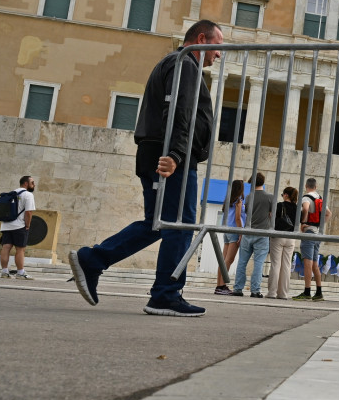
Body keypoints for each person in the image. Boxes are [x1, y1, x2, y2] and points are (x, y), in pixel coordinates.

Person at [68, 20, 223, 317]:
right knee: (180, 225)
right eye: (217, 46)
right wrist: (177, 153)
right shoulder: (186, 64)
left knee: (158, 224)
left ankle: (92, 260)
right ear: (202, 39)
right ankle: (166, 294)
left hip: (157, 152)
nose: (218, 55)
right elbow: (180, 111)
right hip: (170, 158)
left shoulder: (174, 63)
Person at [233, 172, 273, 298]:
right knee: (259, 263)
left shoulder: (249, 197)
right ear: (263, 182)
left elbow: (245, 212)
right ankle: (255, 290)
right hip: (262, 233)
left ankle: (238, 288)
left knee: (242, 262)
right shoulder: (270, 197)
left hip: (248, 231)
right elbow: (271, 215)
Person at [292, 178, 331, 301]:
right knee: (314, 263)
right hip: (317, 233)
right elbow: (328, 213)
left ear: (306, 186)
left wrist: (303, 222)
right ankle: (319, 292)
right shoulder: (320, 198)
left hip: (309, 232)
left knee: (307, 263)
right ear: (316, 186)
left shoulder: (306, 198)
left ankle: (307, 291)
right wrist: (320, 224)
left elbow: (306, 208)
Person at [0, 176, 36, 280]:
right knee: (20, 249)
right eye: (32, 182)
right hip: (19, 226)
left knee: (6, 247)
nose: (34, 184)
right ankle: (20, 273)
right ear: (25, 184)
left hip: (6, 225)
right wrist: (27, 225)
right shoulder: (28, 195)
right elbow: (28, 212)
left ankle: (4, 272)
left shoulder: (11, 193)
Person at [215, 179, 245, 295]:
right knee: (229, 260)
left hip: (227, 230)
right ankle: (222, 286)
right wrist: (241, 232)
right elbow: (238, 218)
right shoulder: (239, 200)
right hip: (234, 230)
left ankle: (219, 285)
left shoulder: (228, 200)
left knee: (223, 260)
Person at [267, 186, 298, 300]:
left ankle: (272, 292)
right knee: (286, 265)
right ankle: (283, 294)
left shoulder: (280, 205)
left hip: (278, 236)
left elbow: (272, 217)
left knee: (276, 264)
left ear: (285, 195)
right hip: (291, 238)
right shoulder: (297, 208)